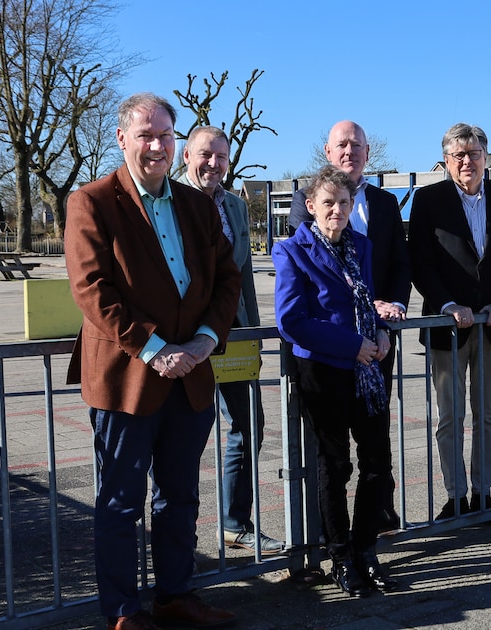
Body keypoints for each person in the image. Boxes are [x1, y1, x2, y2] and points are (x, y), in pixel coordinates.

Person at [64, 92, 241, 630]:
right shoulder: (92, 201)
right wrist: (156, 349)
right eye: (146, 135)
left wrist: (207, 339)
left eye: (166, 135)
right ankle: (122, 611)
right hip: (128, 381)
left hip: (190, 377)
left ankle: (175, 595)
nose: (158, 145)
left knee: (180, 497)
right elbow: (92, 289)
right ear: (122, 139)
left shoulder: (197, 205)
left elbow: (227, 279)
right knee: (120, 503)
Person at [273, 165, 398, 598]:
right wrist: (352, 345)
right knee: (336, 467)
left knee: (378, 465)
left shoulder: (360, 245)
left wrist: (381, 331)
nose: (337, 211)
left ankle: (366, 550)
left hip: (366, 370)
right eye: (328, 203)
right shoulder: (292, 250)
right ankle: (341, 557)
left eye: (344, 203)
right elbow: (292, 321)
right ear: (310, 206)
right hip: (324, 370)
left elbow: (368, 299)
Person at [407, 123, 491, 518]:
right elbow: (420, 263)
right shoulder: (427, 200)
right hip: (447, 326)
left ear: (485, 158)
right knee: (450, 415)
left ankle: (483, 492)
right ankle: (455, 495)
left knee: (489, 414)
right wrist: (446, 304)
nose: (467, 161)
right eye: (458, 155)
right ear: (446, 161)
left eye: (474, 154)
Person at [288, 120, 410, 532]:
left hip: (374, 346)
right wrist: (353, 333)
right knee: (334, 458)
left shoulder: (385, 205)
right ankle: (333, 538)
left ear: (367, 152)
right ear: (327, 151)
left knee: (376, 446)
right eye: (342, 144)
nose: (349, 151)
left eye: (356, 145)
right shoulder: (302, 204)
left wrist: (387, 314)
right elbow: (311, 278)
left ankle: (376, 518)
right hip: (328, 352)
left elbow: (397, 266)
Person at [176, 126, 284, 553]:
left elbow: (243, 279)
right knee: (183, 437)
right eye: (206, 155)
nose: (214, 164)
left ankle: (234, 524)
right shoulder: (169, 202)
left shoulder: (236, 207)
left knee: (247, 426)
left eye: (221, 157)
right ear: (186, 156)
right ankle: (178, 539)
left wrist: (253, 333)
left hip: (234, 337)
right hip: (185, 344)